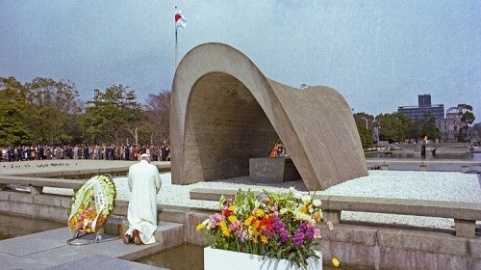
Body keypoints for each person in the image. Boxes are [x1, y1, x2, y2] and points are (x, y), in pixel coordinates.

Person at [123, 153, 161, 245]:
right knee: (148, 222)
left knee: (135, 220)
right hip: (148, 199)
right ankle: (140, 234)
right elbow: (158, 183)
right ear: (148, 159)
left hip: (135, 199)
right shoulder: (152, 168)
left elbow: (130, 185)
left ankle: (129, 233)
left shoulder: (132, 167)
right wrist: (155, 191)